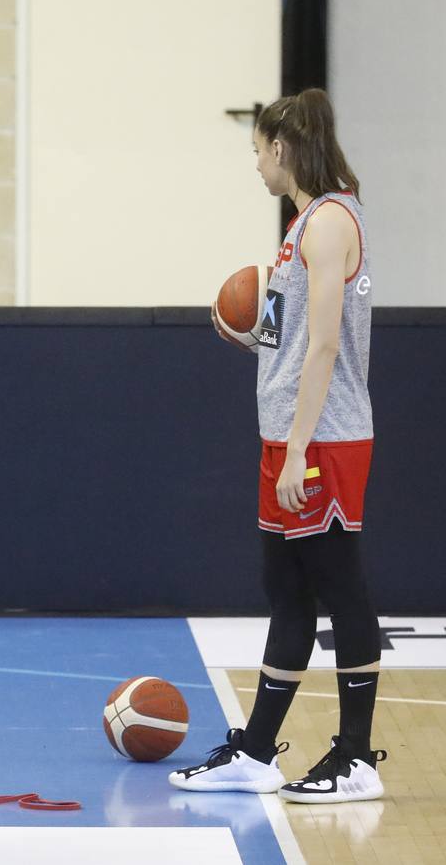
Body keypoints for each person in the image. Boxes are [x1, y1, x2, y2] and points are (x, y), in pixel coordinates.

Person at [171, 88, 384, 803]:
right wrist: (249, 331)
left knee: (338, 584)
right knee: (286, 590)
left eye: (258, 150)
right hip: (287, 433)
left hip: (321, 436)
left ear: (283, 149)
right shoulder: (301, 227)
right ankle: (257, 752)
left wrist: (297, 451)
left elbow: (326, 345)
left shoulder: (327, 223)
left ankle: (355, 759)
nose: (255, 164)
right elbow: (296, 336)